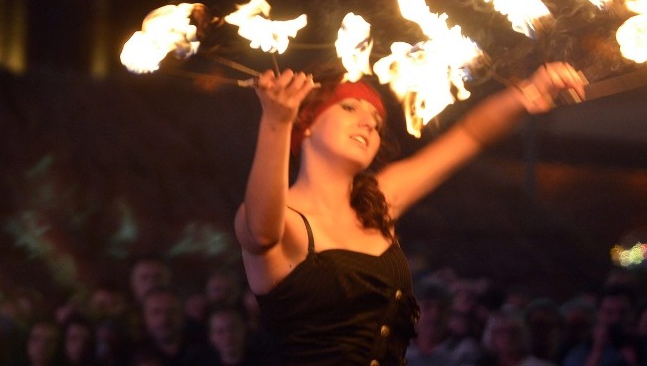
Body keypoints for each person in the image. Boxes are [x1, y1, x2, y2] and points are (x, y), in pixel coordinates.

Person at [234, 62, 586, 365]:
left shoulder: (378, 202)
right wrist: (276, 122)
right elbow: (262, 233)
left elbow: (469, 136)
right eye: (349, 108)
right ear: (306, 123)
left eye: (375, 118)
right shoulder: (276, 217)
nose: (369, 123)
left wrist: (528, 93)